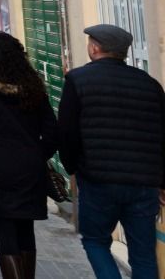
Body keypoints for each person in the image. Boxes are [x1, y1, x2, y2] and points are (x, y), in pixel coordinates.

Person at [57, 23, 165, 279]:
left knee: (95, 240)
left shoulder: (77, 80)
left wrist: (73, 167)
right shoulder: (150, 85)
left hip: (98, 180)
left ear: (94, 48)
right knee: (143, 254)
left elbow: (67, 133)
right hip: (143, 183)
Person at [0, 31, 58, 279]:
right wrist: (37, 154)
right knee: (26, 230)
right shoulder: (32, 87)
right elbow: (52, 131)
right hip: (29, 168)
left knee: (5, 233)